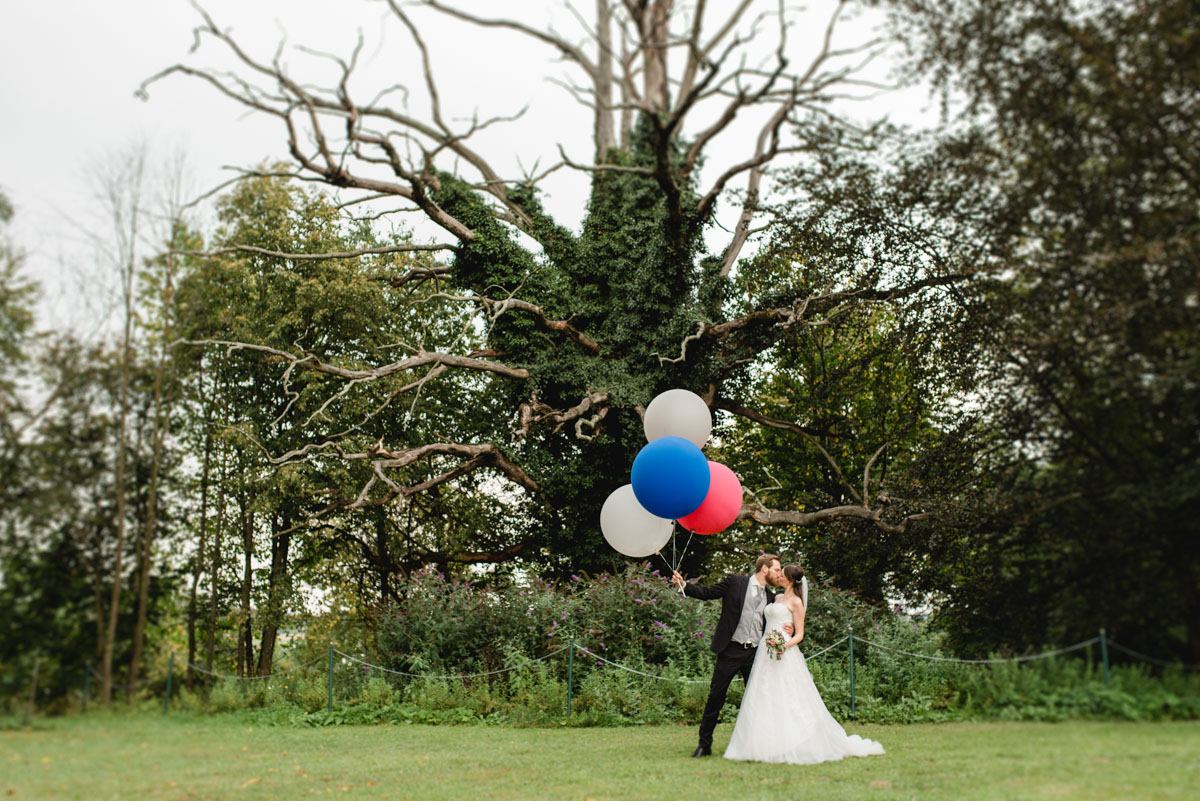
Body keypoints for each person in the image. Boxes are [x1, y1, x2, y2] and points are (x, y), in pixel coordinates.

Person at [723, 563, 885, 764]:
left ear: (790, 579)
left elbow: (800, 634)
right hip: (765, 650)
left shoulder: (796, 602)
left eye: (782, 575)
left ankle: (794, 741)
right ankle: (764, 743)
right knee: (764, 693)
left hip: (783, 651)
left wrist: (784, 644)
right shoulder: (776, 598)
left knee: (788, 695)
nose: (778, 577)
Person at [671, 553, 788, 757]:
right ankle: (704, 745)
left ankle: (759, 745)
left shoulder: (770, 596)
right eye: (777, 569)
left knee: (758, 699)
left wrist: (787, 629)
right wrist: (684, 585)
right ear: (764, 568)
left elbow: (777, 620)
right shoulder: (735, 582)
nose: (779, 574)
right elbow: (706, 593)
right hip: (730, 650)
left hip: (755, 654)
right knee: (715, 697)